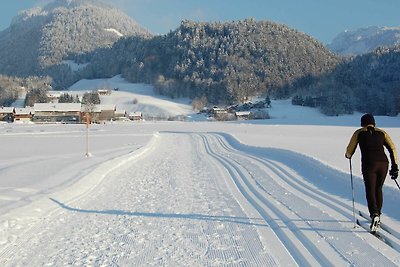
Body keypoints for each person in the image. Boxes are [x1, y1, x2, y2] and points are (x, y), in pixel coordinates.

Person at [345, 113, 398, 231]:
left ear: (362, 123)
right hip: (384, 163)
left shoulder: (359, 133)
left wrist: (348, 155)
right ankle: (378, 214)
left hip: (369, 164)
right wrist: (395, 166)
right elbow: (392, 148)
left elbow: (349, 150)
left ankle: (374, 214)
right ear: (374, 123)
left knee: (370, 189)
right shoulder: (382, 133)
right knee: (378, 188)